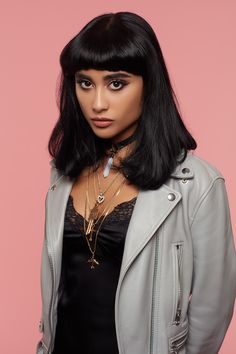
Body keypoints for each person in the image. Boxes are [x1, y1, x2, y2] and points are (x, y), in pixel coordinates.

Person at [36, 11, 236, 354]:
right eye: (85, 83)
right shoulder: (63, 174)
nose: (97, 103)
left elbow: (212, 309)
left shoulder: (196, 184)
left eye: (117, 83)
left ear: (148, 85)